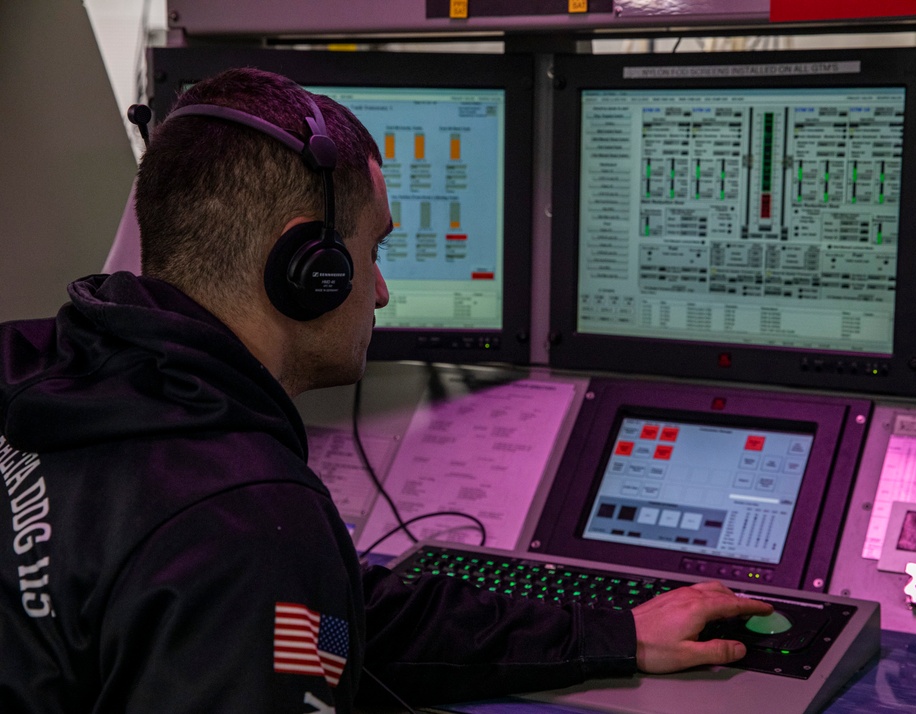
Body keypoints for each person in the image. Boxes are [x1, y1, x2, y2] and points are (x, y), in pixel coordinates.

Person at [0, 67, 772, 713]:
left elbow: (335, 623)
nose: (380, 292)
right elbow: (270, 593)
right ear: (307, 269)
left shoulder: (39, 364)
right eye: (373, 252)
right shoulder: (243, 521)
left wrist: (612, 635)